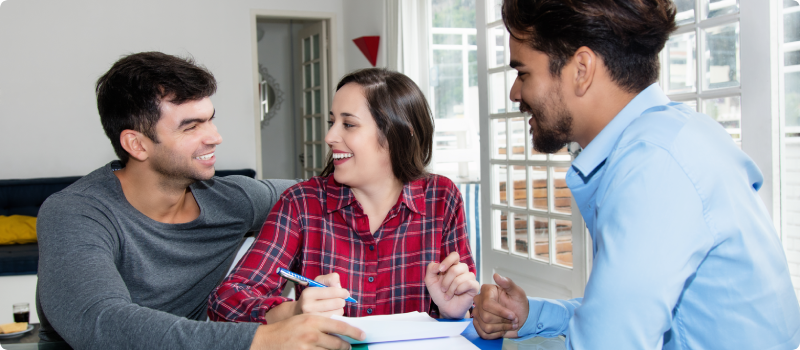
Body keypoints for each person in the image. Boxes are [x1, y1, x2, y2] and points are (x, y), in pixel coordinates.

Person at [472, 1, 800, 349]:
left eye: (523, 73)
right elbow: (627, 311)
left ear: (581, 69)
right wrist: (530, 314)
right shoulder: (669, 137)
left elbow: (609, 341)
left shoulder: (653, 167)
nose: (515, 93)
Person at [36, 51, 364, 350]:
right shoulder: (75, 214)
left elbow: (316, 193)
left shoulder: (230, 201)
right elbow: (101, 324)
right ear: (136, 145)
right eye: (191, 127)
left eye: (210, 119)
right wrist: (262, 339)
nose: (215, 136)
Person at [208, 68, 479, 324]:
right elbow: (226, 302)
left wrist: (454, 312)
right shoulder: (301, 203)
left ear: (399, 134)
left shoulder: (442, 198)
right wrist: (294, 311)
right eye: (332, 122)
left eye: (348, 124)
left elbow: (467, 303)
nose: (329, 136)